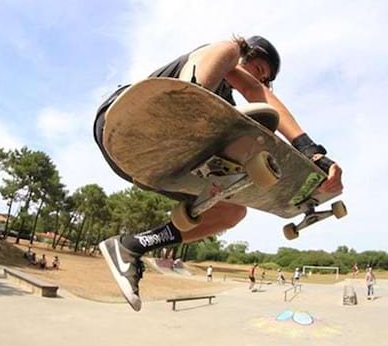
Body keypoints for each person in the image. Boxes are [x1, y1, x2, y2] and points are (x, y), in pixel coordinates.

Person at [95, 35, 344, 311]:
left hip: (142, 164)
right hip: (122, 118)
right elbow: (252, 88)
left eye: (265, 80)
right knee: (242, 91)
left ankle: (131, 246)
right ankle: (187, 109)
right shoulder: (215, 56)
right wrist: (307, 147)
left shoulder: (227, 115)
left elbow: (256, 92)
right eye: (259, 70)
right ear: (248, 56)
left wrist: (309, 163)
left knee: (232, 211)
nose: (260, 82)